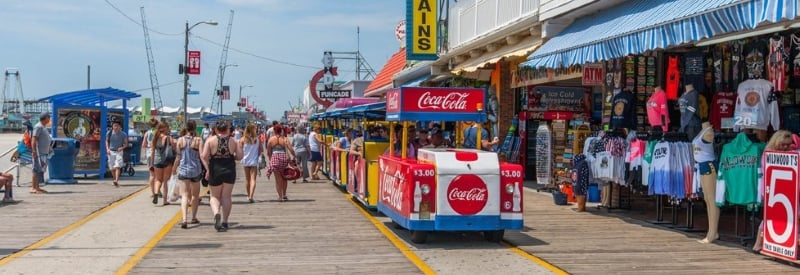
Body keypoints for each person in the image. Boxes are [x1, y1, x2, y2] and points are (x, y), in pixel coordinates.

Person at [752, 130, 796, 252]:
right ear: (776, 142)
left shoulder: (790, 153)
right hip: (770, 189)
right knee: (770, 217)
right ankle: (758, 243)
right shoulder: (768, 154)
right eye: (783, 145)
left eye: (788, 145)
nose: (786, 147)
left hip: (786, 190)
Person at [201, 121, 243, 232]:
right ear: (227, 129)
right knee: (226, 196)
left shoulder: (210, 140)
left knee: (214, 196)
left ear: (216, 129)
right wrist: (231, 156)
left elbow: (204, 156)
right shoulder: (234, 140)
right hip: (229, 169)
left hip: (215, 169)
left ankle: (216, 213)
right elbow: (239, 156)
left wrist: (208, 168)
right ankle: (225, 221)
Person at [173, 120, 203, 229]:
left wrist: (174, 169)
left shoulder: (180, 140)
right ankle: (194, 217)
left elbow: (178, 157)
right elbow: (202, 156)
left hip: (183, 170)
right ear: (195, 128)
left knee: (184, 195)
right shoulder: (198, 140)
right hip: (196, 170)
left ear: (186, 128)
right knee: (195, 195)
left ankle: (184, 218)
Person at [150, 122, 176, 206]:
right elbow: (174, 148)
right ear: (164, 128)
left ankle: (156, 193)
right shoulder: (168, 138)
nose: (169, 129)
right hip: (167, 161)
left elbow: (152, 151)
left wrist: (151, 163)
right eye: (168, 127)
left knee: (158, 180)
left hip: (157, 161)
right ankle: (165, 200)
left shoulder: (155, 138)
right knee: (166, 181)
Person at [267, 126, 295, 201]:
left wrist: (270, 160)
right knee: (284, 177)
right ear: (281, 130)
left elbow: (268, 152)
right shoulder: (285, 139)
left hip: (275, 158)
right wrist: (294, 156)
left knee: (277, 179)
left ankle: (280, 196)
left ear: (274, 131)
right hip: (284, 158)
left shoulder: (271, 139)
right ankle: (284, 194)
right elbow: (291, 149)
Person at [30, 112, 52, 194]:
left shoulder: (43, 126)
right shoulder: (38, 126)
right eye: (48, 117)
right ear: (45, 118)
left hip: (43, 152)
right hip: (39, 152)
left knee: (39, 170)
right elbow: (34, 139)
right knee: (36, 169)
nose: (49, 119)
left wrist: (48, 147)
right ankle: (34, 188)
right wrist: (34, 151)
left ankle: (37, 187)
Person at [239, 124, 262, 202]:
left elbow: (240, 150)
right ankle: (251, 196)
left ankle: (248, 195)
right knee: (253, 179)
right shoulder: (257, 139)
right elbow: (261, 150)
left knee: (247, 179)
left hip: (245, 161)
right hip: (254, 161)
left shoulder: (242, 139)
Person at [105, 120, 128, 187]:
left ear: (120, 126)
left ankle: (116, 181)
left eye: (117, 126)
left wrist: (122, 147)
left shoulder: (123, 134)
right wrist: (107, 149)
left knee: (117, 166)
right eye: (114, 125)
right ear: (112, 126)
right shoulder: (109, 133)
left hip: (119, 152)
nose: (115, 127)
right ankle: (114, 179)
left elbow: (126, 144)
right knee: (112, 168)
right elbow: (106, 141)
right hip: (111, 151)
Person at [142, 119, 159, 198]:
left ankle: (152, 192)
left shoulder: (147, 133)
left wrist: (148, 146)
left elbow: (143, 145)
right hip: (157, 154)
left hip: (149, 153)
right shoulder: (158, 133)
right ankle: (157, 190)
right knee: (158, 174)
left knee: (152, 174)